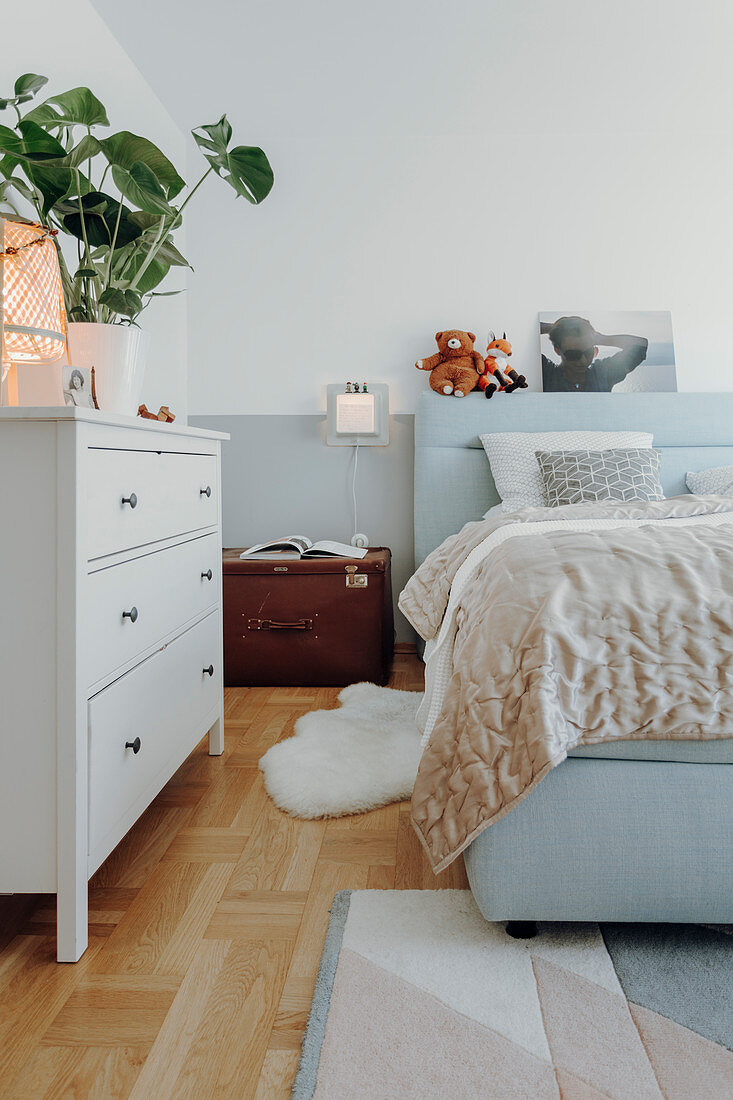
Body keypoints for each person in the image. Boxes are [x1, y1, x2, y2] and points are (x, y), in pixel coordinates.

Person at [541, 316, 648, 392]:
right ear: (557, 350)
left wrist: (602, 339)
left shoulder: (603, 374)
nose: (583, 361)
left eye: (588, 353)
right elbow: (524, 328)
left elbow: (641, 345)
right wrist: (555, 328)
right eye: (573, 355)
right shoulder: (546, 373)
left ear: (595, 351)